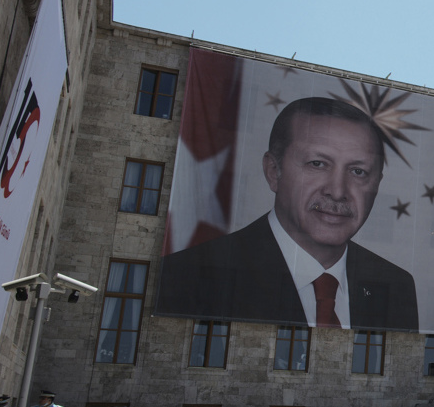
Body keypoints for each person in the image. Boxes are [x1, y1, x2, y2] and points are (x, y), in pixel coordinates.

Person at [158, 96, 420, 331]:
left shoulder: (396, 286)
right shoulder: (188, 274)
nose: (338, 191)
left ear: (376, 185)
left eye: (358, 172)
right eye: (317, 164)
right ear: (274, 171)